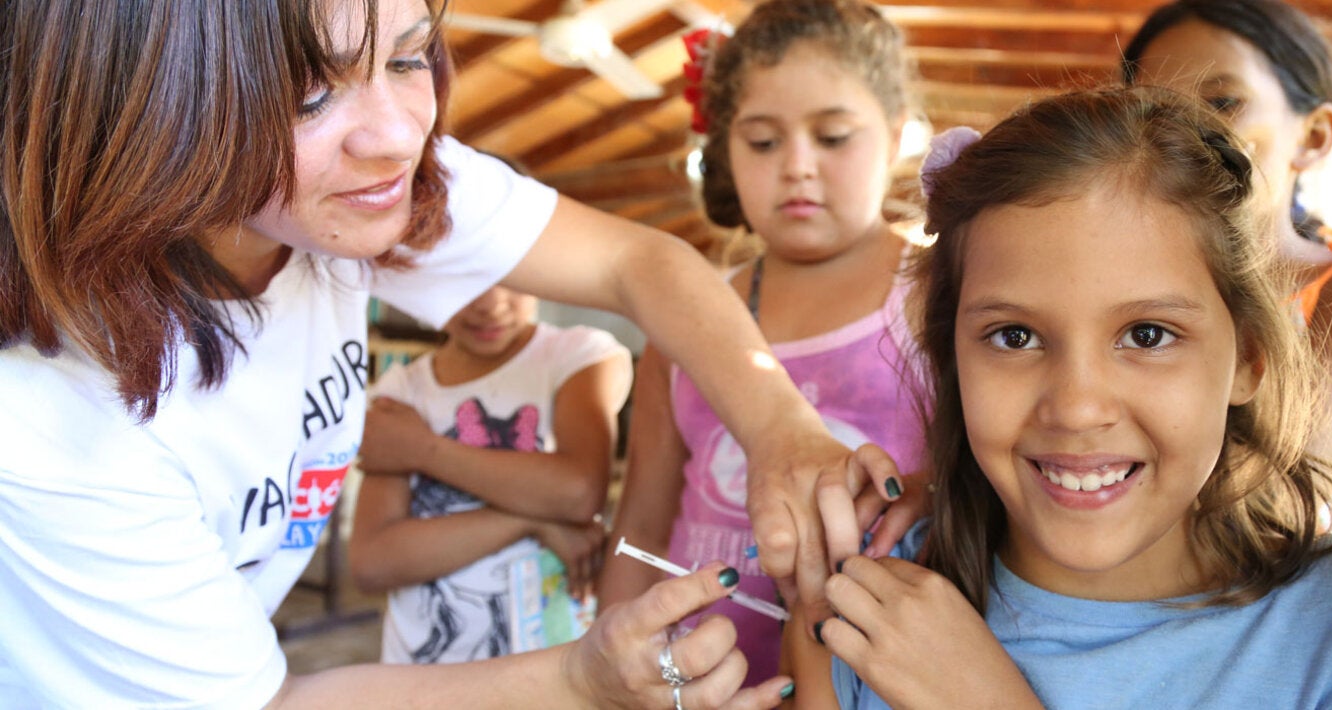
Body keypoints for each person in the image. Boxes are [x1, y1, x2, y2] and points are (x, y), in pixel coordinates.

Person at [0, 0, 904, 705]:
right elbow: (270, 701)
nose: (398, 134)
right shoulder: (54, 415)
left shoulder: (342, 193)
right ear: (147, 102)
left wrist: (780, 429)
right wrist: (580, 681)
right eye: (310, 93)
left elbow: (636, 264)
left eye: (407, 58)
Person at [786, 86, 1332, 709]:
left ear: (1248, 359)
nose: (1076, 408)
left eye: (1147, 336)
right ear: (952, 357)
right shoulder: (862, 606)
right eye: (1014, 336)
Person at [597, 0, 927, 686]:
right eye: (763, 142)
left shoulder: (937, 299)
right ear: (726, 148)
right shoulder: (685, 315)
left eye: (833, 136)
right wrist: (607, 678)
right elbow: (642, 524)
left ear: (896, 136)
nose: (798, 166)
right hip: (693, 684)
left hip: (875, 687)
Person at [1122, 0, 1332, 573]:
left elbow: (1283, 502)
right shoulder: (1120, 302)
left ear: (1314, 135)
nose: (1182, 133)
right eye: (1153, 113)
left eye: (1223, 103)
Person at [348, 283, 631, 664]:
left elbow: (578, 493)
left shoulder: (579, 355)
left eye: (510, 279)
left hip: (543, 671)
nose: (490, 305)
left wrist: (422, 449)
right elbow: (372, 564)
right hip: (421, 675)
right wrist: (532, 519)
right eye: (469, 279)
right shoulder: (403, 389)